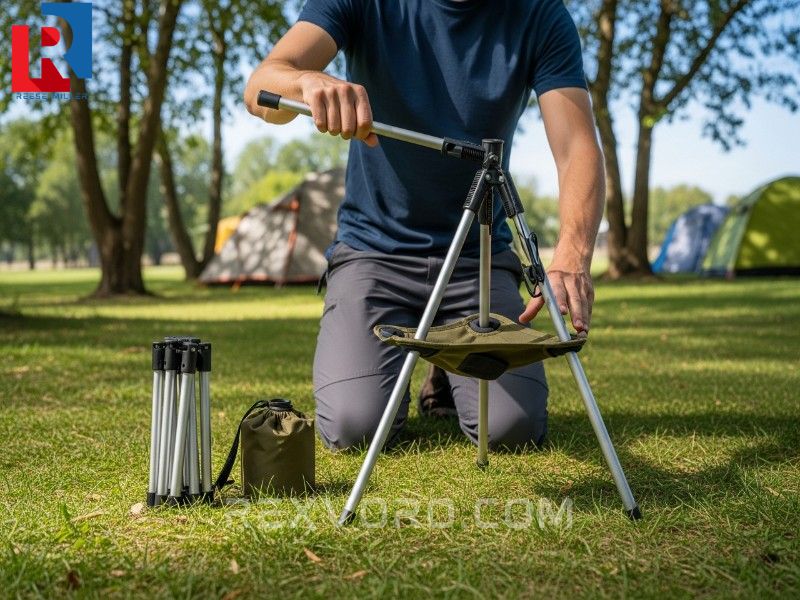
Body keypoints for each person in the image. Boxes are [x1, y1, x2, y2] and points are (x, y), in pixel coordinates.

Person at [244, 0, 604, 451]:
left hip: (478, 260)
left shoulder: (540, 13)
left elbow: (576, 146)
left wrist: (572, 253)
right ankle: (418, 351)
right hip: (374, 255)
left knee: (512, 431)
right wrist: (306, 81)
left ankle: (441, 370)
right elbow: (261, 88)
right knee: (355, 429)